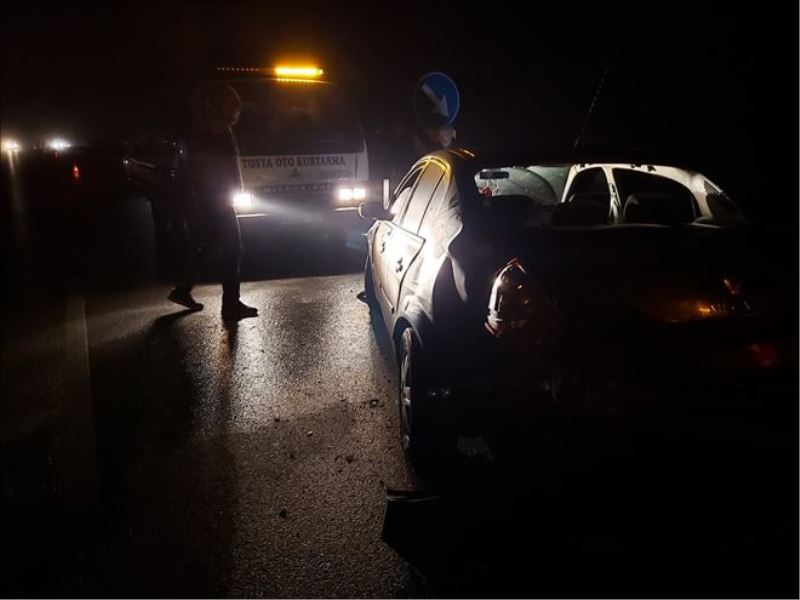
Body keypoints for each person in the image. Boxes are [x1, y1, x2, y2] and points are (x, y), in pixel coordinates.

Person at [167, 82, 258, 321]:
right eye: (233, 105)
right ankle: (231, 304)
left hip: (211, 198)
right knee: (233, 248)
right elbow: (213, 168)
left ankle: (183, 289)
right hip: (216, 199)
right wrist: (229, 191)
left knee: (210, 247)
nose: (236, 111)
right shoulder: (215, 133)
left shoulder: (208, 131)